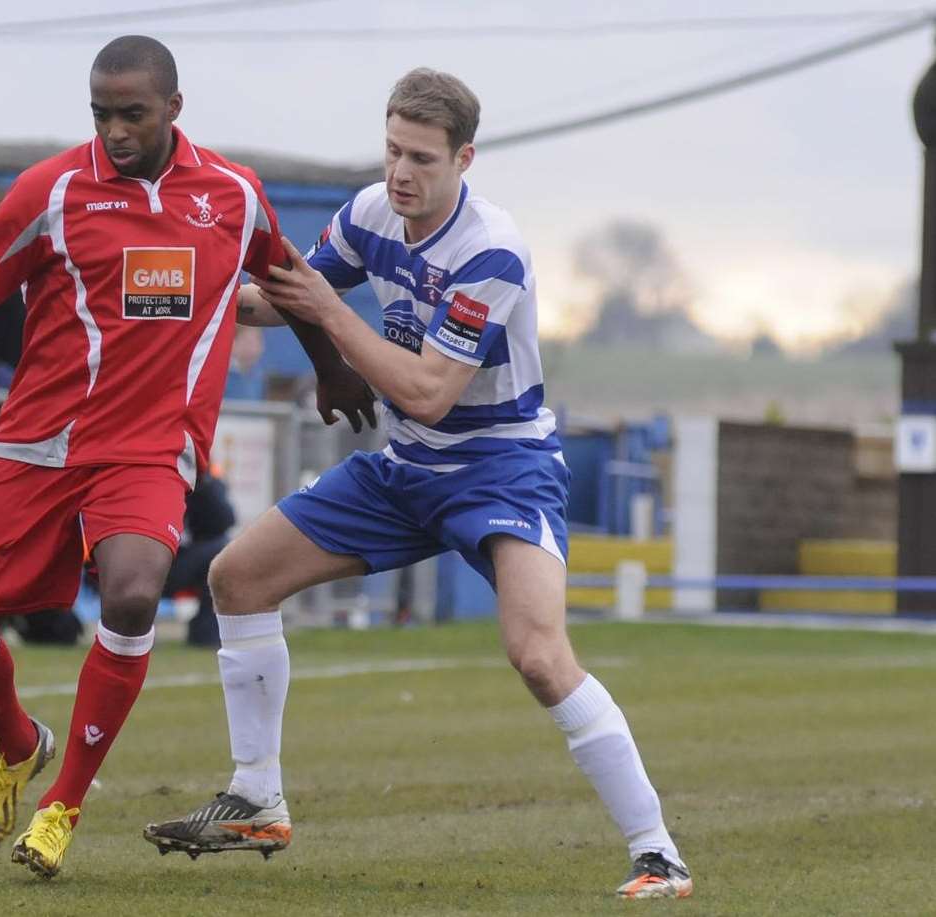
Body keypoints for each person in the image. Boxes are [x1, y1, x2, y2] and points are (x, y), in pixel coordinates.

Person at [0, 35, 373, 880]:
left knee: (136, 591)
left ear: (173, 109)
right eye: (100, 114)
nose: (114, 130)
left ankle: (62, 800)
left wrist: (329, 364)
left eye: (131, 114)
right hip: (38, 440)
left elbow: (289, 279)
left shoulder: (231, 194)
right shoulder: (53, 190)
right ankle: (19, 742)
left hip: (149, 445)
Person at [143, 68, 692, 900]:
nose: (400, 172)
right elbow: (282, 297)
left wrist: (330, 313)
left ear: (464, 158)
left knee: (539, 656)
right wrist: (158, 287)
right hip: (406, 469)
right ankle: (256, 796)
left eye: (422, 158)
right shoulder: (371, 211)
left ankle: (657, 852)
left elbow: (427, 389)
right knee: (237, 577)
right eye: (392, 149)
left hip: (501, 468)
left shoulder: (490, 249)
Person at [165, 468, 237, 647]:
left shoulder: (203, 486)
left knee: (221, 551)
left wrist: (204, 483)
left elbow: (227, 519)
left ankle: (205, 631)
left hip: (183, 561)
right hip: (149, 559)